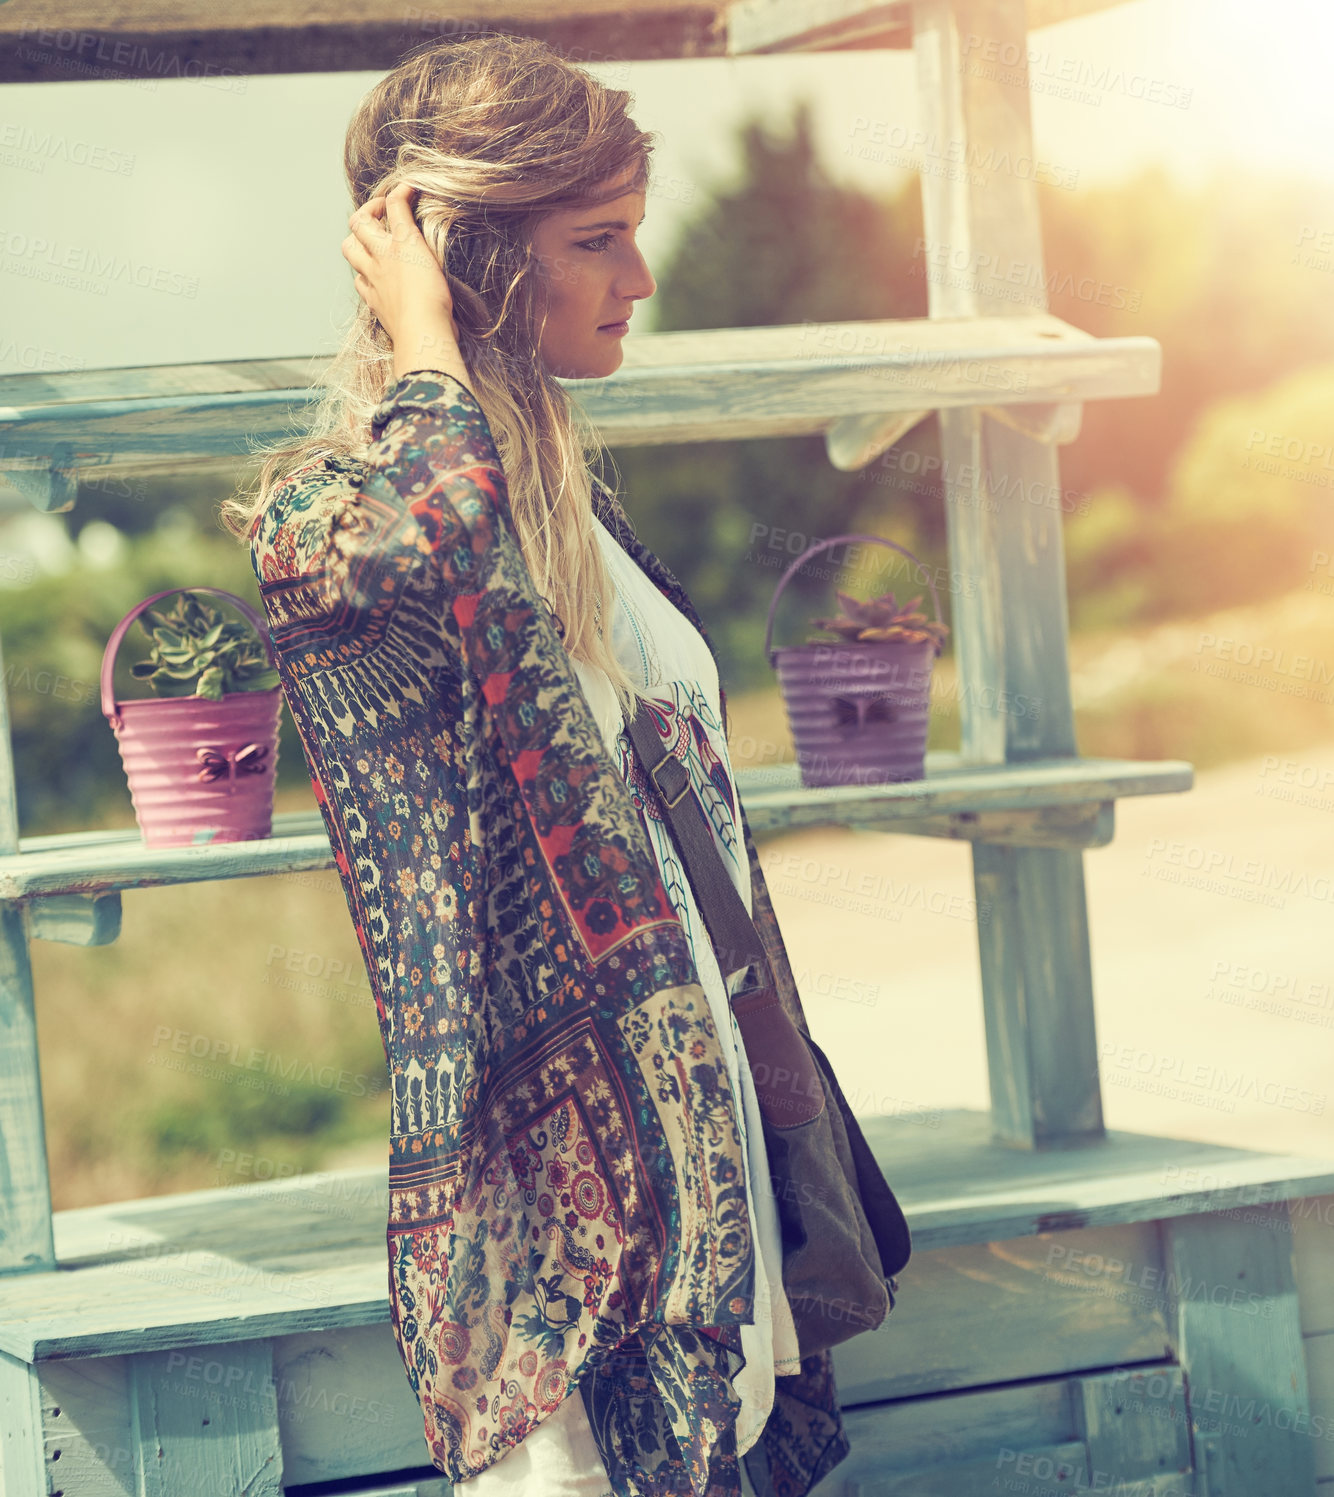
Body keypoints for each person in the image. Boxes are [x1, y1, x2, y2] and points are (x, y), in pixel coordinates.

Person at [224, 33, 849, 1497]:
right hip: (547, 1214)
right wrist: (427, 351)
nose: (638, 278)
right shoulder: (333, 517)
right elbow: (431, 557)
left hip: (688, 1141)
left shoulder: (572, 507)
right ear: (472, 259)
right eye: (595, 241)